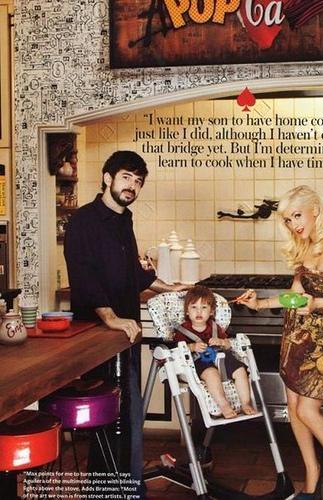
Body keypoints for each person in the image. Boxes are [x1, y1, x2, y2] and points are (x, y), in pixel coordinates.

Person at [237, 186, 323, 500]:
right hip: (301, 335)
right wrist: (259, 303)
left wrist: (317, 304)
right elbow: (295, 297)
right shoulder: (303, 247)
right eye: (288, 219)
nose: (293, 224)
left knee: (308, 411)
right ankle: (312, 477)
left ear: (315, 209)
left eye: (297, 215)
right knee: (294, 407)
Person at [64, 150, 186, 497]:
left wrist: (167, 287)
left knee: (128, 416)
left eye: (138, 181)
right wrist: (111, 318)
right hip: (99, 335)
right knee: (110, 418)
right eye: (126, 177)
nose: (132, 186)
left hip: (125, 333)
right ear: (108, 178)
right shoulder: (83, 221)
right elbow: (83, 275)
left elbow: (131, 272)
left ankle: (128, 489)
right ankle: (111, 492)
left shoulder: (124, 219)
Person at [174, 285, 256, 419]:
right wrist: (193, 347)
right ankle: (224, 405)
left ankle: (246, 403)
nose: (199, 311)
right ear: (187, 311)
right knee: (212, 374)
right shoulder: (182, 330)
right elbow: (177, 350)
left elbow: (228, 344)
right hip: (200, 362)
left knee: (240, 370)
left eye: (204, 307)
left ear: (211, 311)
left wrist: (222, 342)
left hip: (221, 358)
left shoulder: (214, 327)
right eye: (194, 307)